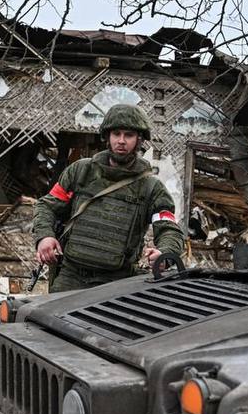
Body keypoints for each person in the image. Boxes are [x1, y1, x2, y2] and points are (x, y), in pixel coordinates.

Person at [33, 104, 185, 291]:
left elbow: (169, 229)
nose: (121, 141)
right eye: (116, 134)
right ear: (107, 137)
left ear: (139, 140)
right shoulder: (80, 171)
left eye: (128, 135)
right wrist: (44, 237)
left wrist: (165, 253)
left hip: (116, 282)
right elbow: (47, 206)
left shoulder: (151, 188)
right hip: (71, 276)